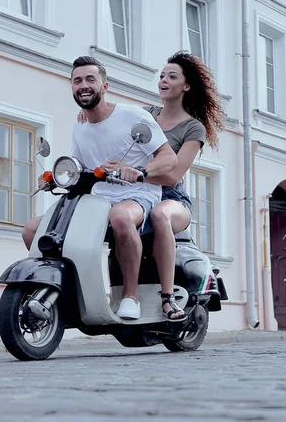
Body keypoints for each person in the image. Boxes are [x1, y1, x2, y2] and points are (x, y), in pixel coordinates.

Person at [22, 56, 177, 320]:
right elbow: (80, 168)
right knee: (33, 230)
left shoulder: (132, 116)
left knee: (120, 217)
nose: (83, 85)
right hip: (97, 201)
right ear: (72, 87)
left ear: (105, 87)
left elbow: (169, 157)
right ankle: (67, 292)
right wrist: (56, 178)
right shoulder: (80, 125)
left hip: (137, 195)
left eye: (90, 79)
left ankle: (130, 297)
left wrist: (140, 171)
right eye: (77, 81)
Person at [78, 51, 225, 321]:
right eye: (161, 76)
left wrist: (136, 174)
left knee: (160, 215)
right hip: (131, 189)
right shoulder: (145, 114)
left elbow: (172, 175)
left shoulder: (193, 129)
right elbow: (113, 123)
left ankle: (168, 298)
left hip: (171, 197)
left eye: (172, 76)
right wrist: (89, 112)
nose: (163, 81)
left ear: (187, 85)